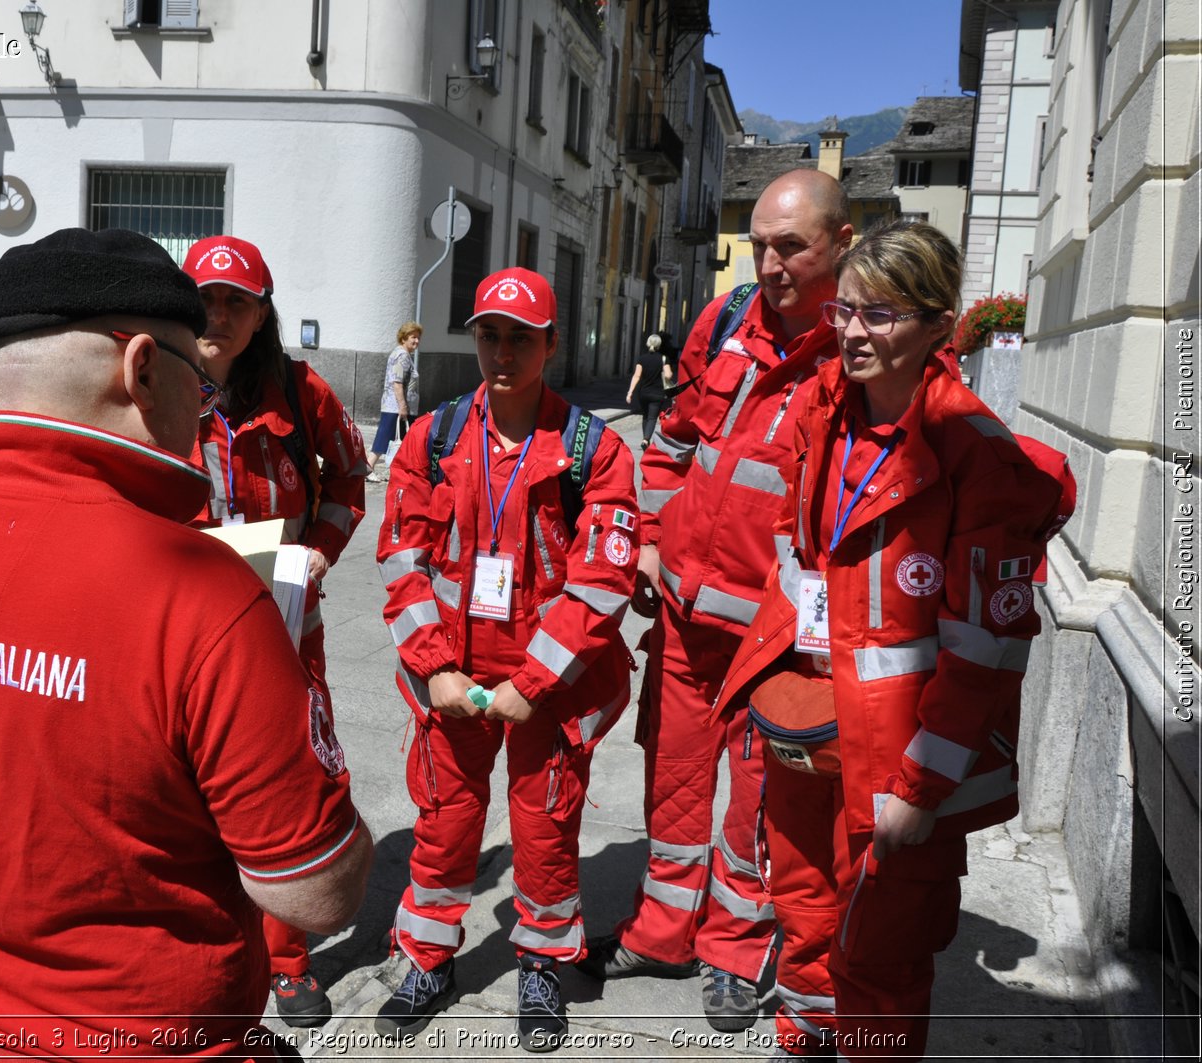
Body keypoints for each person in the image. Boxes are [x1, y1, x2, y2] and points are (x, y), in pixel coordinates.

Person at [0, 227, 374, 1061]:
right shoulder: (207, 596)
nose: (202, 410)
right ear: (140, 367)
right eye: (195, 384)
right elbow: (317, 893)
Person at [711, 219, 1072, 1060]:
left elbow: (987, 648)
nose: (851, 332)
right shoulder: (819, 409)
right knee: (802, 919)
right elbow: (797, 555)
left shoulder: (976, 456)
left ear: (940, 324)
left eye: (880, 315)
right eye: (846, 310)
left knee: (882, 952)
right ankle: (803, 1044)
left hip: (896, 758)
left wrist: (920, 788)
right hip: (805, 729)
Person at [579, 169, 854, 1034]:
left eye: (792, 248)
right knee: (674, 779)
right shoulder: (726, 321)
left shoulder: (863, 349)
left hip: (777, 641)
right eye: (761, 246)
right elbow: (670, 442)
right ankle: (662, 930)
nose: (769, 266)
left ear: (841, 246)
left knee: (758, 800)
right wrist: (652, 538)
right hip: (687, 620)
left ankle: (737, 949)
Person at [375, 267, 638, 1052]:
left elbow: (602, 581)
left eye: (521, 337)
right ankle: (426, 956)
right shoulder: (436, 436)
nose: (502, 352)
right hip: (450, 672)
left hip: (548, 686)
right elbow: (401, 557)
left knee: (545, 829)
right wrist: (434, 667)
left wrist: (531, 683)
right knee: (445, 823)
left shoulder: (595, 449)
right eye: (489, 333)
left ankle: (541, 966)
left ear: (551, 345)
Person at [180, 234, 368, 1028]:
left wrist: (319, 554)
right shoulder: (149, 383)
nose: (219, 313)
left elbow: (350, 482)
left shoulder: (300, 393)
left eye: (238, 301)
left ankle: (287, 961)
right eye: (207, 297)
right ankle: (200, 949)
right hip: (180, 633)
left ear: (263, 314)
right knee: (184, 793)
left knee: (284, 787)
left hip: (285, 632)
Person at [367, 321, 422, 481]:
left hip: (394, 405)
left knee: (398, 440)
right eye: (413, 337)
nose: (416, 341)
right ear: (404, 338)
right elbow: (397, 382)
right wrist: (403, 406)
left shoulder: (402, 354)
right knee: (386, 438)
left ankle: (400, 472)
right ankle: (369, 467)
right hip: (396, 407)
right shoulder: (402, 355)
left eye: (418, 338)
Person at [624, 334, 670, 450]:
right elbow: (668, 375)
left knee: (645, 416)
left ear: (648, 343)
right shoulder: (663, 358)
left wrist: (630, 392)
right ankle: (645, 439)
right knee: (652, 417)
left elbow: (636, 376)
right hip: (657, 393)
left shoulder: (642, 359)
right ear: (659, 345)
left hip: (643, 393)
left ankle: (646, 439)